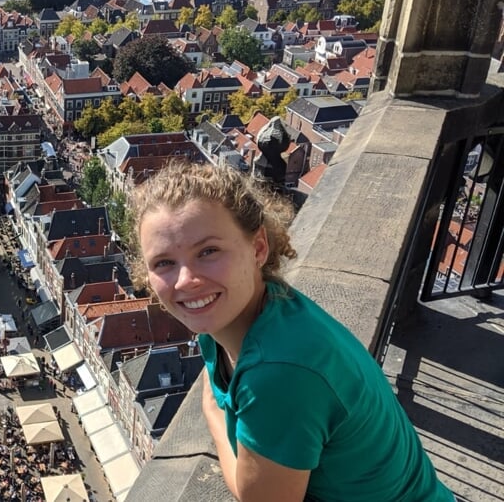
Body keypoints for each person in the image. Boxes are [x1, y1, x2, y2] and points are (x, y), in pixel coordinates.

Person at [133, 161, 454, 502]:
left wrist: (212, 413)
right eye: (164, 263)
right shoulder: (264, 310)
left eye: (208, 251)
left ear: (258, 247)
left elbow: (256, 497)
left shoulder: (278, 371)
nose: (185, 280)